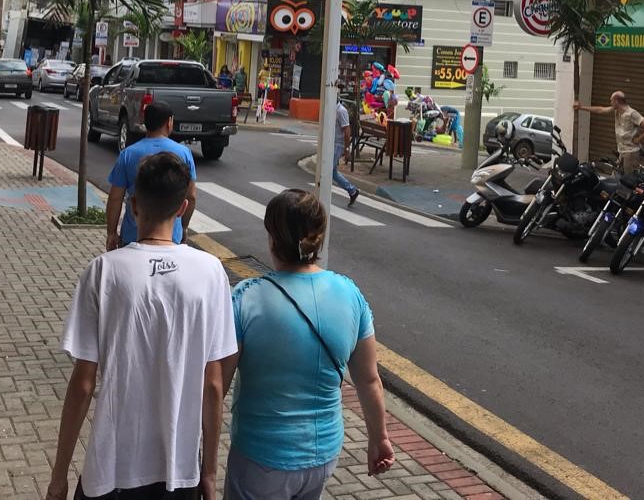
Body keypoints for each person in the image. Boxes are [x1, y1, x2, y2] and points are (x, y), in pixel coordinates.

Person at [47, 153, 238, 500]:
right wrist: (209, 474)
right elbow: (213, 384)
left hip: (112, 467)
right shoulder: (211, 273)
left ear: (133, 205)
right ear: (182, 208)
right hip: (179, 470)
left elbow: (83, 384)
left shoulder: (103, 271)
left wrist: (59, 476)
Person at [224, 189, 394, 500]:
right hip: (323, 455)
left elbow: (216, 386)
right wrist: (378, 438)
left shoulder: (247, 297)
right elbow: (369, 380)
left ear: (272, 237)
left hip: (260, 455)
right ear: (319, 237)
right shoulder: (349, 294)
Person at [106, 102, 198, 251]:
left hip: (132, 237)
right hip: (170, 238)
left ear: (145, 122)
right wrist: (183, 227)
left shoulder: (128, 154)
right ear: (169, 122)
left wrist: (111, 233)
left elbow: (115, 198)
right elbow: (191, 196)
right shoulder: (183, 153)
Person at [574, 91, 644, 174]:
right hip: (622, 152)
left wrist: (639, 139)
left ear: (616, 101)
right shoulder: (617, 110)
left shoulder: (632, 114)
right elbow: (600, 110)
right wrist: (581, 107)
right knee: (618, 175)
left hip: (630, 153)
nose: (610, 103)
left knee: (629, 179)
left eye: (611, 100)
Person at [333, 101, 360, 207]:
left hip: (338, 144)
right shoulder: (332, 109)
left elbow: (347, 130)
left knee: (328, 171)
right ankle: (352, 191)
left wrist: (347, 148)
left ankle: (352, 190)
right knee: (332, 172)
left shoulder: (341, 111)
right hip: (332, 143)